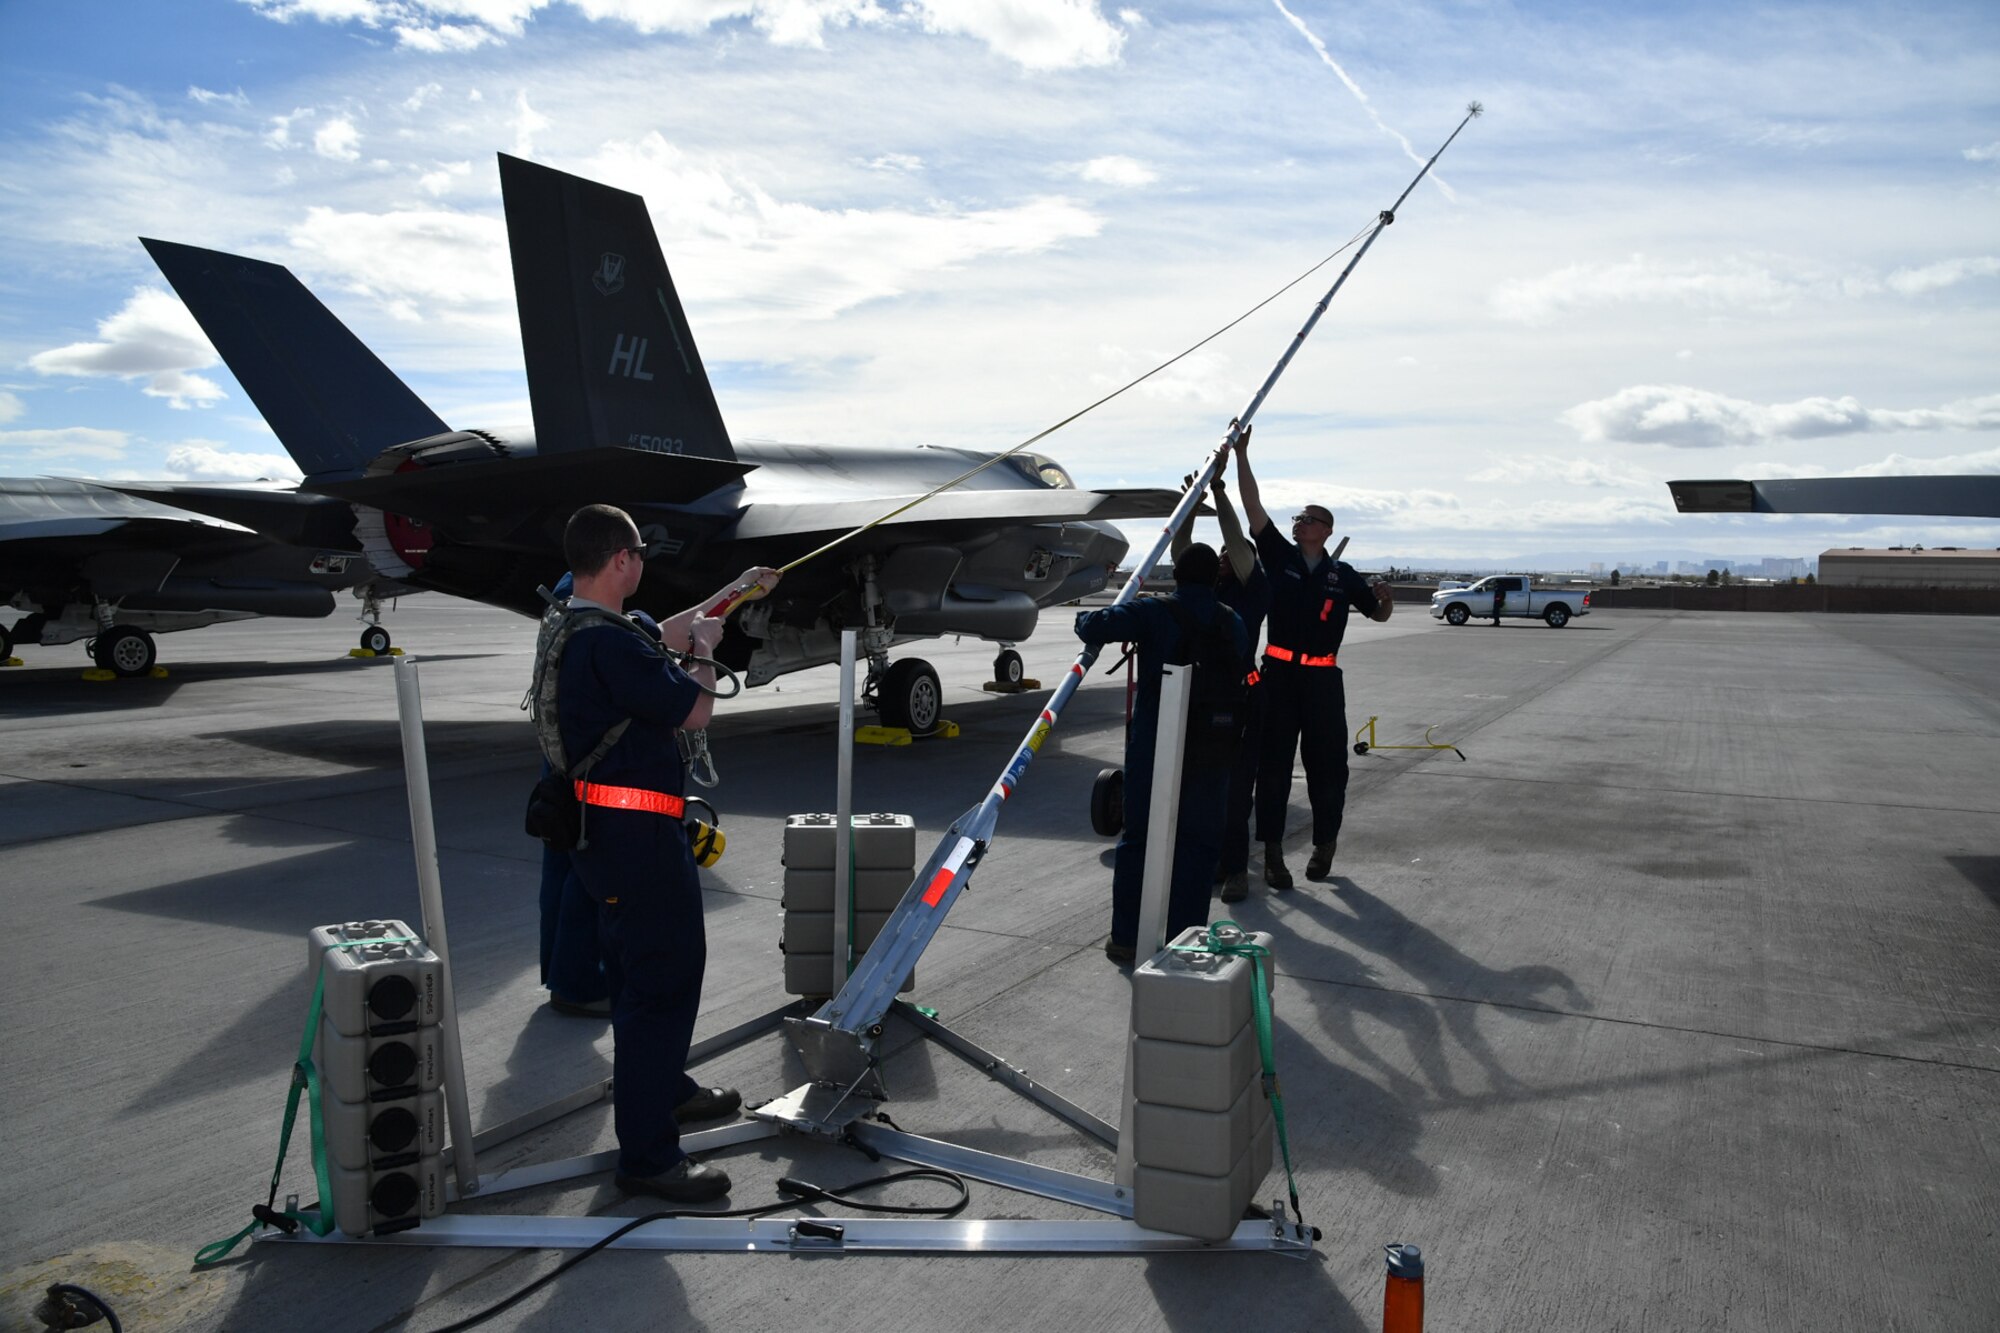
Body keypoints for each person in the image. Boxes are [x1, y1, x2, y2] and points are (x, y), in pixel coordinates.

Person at [550, 503, 779, 1201]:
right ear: (621, 560)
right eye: (640, 554)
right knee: (664, 979)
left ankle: (665, 1088)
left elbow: (668, 630)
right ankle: (649, 1156)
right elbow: (695, 708)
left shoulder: (578, 620)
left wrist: (733, 593)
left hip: (609, 842)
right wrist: (709, 651)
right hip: (637, 842)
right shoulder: (610, 645)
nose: (644, 563)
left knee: (638, 976)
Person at [1232, 425, 1393, 888]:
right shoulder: (1278, 556)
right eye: (1297, 517)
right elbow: (1253, 507)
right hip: (1278, 675)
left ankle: (1325, 844)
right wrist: (1243, 455)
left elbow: (1377, 615)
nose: (1298, 522)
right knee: (1274, 766)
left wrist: (1386, 601)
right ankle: (1274, 854)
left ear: (1326, 530)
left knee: (1328, 767)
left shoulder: (1343, 575)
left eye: (1308, 518)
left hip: (1322, 682)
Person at [1075, 541, 1249, 964]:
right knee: (1200, 843)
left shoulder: (1154, 612)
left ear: (1176, 574)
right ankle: (1185, 938)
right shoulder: (1233, 622)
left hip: (1158, 742)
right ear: (1214, 579)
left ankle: (1127, 938)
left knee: (1139, 839)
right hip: (1213, 746)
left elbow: (1090, 625)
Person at [1171, 469, 1270, 904]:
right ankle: (1211, 860)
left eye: (1233, 554)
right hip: (1196, 697)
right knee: (1196, 785)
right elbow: (1182, 551)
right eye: (1221, 557)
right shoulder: (1203, 592)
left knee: (1234, 789)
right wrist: (1192, 507)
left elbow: (1234, 539)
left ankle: (1235, 869)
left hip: (1240, 701)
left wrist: (1219, 493)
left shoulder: (1254, 591)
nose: (1225, 558)